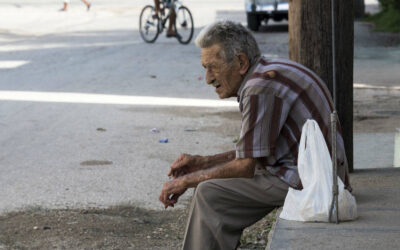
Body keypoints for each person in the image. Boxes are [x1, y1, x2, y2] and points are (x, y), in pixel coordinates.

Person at [158, 20, 351, 250]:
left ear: (241, 62)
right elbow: (254, 150)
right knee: (211, 186)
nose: (209, 78)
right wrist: (202, 163)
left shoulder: (259, 87)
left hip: (319, 182)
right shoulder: (265, 71)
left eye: (213, 67)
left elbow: (245, 166)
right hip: (319, 172)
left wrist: (187, 180)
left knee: (209, 194)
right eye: (205, 69)